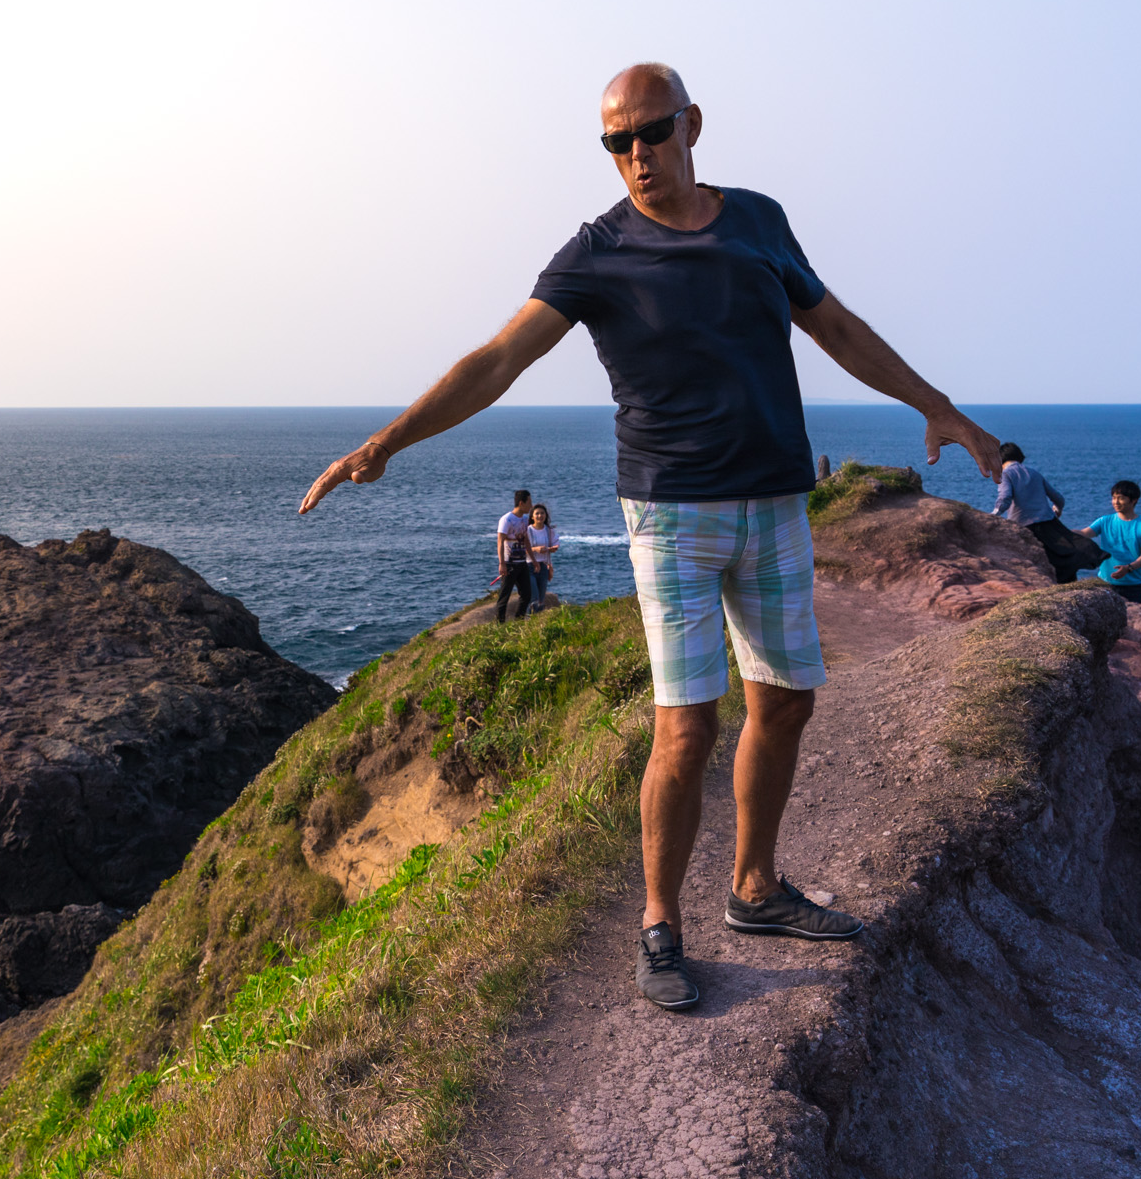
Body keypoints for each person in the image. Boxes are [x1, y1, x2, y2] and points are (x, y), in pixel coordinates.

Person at [298, 62, 1002, 1011]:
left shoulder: (758, 220)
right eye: (615, 144)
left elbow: (835, 326)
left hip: (776, 499)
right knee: (688, 724)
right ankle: (660, 925)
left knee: (787, 699)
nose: (636, 157)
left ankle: (754, 888)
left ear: (692, 125)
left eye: (651, 134)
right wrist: (388, 442)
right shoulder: (597, 252)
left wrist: (939, 406)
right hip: (670, 512)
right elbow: (499, 357)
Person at [990, 442, 1076, 584]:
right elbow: (1058, 498)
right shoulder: (1034, 473)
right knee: (1057, 558)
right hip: (1048, 523)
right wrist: (1057, 509)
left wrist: (993, 514)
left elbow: (1005, 498)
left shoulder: (1005, 475)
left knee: (1031, 564)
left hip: (1024, 525)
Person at [1082, 480, 1141, 604]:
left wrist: (1128, 568)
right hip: (1104, 583)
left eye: (1121, 498)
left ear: (1134, 500)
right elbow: (1084, 534)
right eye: (1114, 498)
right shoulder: (1104, 521)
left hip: (1132, 586)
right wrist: (1057, 528)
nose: (1115, 502)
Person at [495, 489, 536, 622]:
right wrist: (502, 563)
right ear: (521, 503)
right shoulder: (506, 519)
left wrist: (533, 560)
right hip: (509, 563)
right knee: (504, 596)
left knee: (526, 594)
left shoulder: (524, 520)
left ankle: (518, 621)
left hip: (522, 563)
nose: (531, 505)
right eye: (529, 502)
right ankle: (499, 625)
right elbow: (500, 541)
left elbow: (526, 541)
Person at [528, 503, 561, 605]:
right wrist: (535, 549)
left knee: (541, 599)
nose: (540, 516)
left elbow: (556, 544)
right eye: (537, 513)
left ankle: (536, 619)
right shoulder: (527, 530)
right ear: (532, 516)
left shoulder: (549, 530)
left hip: (543, 566)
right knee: (534, 597)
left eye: (542, 513)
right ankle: (529, 618)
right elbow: (521, 549)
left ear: (546, 515)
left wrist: (553, 549)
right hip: (529, 566)